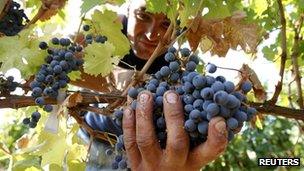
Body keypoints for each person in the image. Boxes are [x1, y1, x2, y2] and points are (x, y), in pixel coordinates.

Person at [75, 0, 230, 170]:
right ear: (127, 8)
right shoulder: (107, 29)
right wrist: (132, 81)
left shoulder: (179, 61)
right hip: (95, 138)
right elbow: (62, 60)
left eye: (166, 24)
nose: (151, 34)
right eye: (143, 16)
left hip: (143, 152)